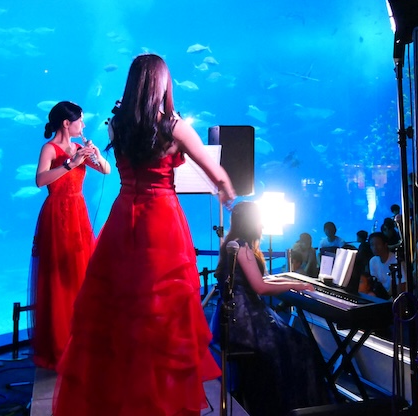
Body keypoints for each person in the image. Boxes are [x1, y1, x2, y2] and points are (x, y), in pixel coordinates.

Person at [53, 54, 236, 416]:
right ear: (163, 83)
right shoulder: (174, 126)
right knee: (161, 312)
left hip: (123, 219)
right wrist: (228, 194)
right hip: (161, 222)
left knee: (117, 308)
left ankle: (116, 398)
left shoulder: (115, 126)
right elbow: (214, 171)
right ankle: (156, 399)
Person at [215, 202, 330, 415]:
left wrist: (293, 282)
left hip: (240, 315)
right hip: (246, 321)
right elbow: (260, 287)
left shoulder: (234, 243)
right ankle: (297, 406)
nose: (261, 224)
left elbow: (262, 280)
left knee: (296, 342)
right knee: (301, 346)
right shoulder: (242, 247)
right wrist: (297, 285)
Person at [29, 101, 110, 370]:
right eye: (80, 120)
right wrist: (70, 164)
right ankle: (60, 342)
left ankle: (83, 339)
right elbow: (40, 180)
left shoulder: (78, 147)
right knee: (57, 277)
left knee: (82, 273)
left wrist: (94, 154)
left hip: (78, 212)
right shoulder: (49, 148)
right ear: (67, 123)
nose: (83, 125)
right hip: (56, 214)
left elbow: (106, 170)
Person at [363, 232, 406, 299]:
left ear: (385, 245)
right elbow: (375, 282)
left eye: (378, 244)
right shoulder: (373, 261)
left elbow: (403, 285)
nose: (375, 247)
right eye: (372, 245)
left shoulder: (397, 261)